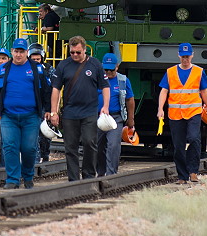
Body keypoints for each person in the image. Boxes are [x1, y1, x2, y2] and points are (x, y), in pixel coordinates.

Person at [0, 37, 51, 189]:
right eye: (16, 51)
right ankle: (12, 180)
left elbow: (46, 91)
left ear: (27, 52)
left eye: (21, 52)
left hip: (31, 116)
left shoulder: (37, 69)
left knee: (29, 148)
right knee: (10, 146)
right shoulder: (3, 69)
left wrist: (49, 110)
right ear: (12, 52)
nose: (18, 55)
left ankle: (28, 176)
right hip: (8, 116)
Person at [50, 35, 109, 181]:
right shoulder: (63, 65)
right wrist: (53, 112)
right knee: (70, 147)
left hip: (89, 112)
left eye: (78, 52)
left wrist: (105, 106)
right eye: (72, 53)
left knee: (90, 142)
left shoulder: (95, 65)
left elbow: (105, 87)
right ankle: (73, 179)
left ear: (84, 50)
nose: (75, 55)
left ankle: (89, 175)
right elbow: (56, 89)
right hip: (70, 113)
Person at [157, 43, 207, 183]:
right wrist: (160, 109)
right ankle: (182, 176)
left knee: (194, 138)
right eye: (183, 56)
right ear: (179, 55)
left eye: (187, 56)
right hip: (175, 114)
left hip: (193, 112)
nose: (185, 59)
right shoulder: (170, 72)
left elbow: (204, 92)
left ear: (192, 55)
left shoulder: (199, 71)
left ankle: (193, 171)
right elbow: (164, 91)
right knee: (178, 145)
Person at [95, 53, 135, 176]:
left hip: (115, 118)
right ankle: (100, 173)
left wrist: (131, 118)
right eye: (105, 69)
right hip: (98, 118)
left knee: (113, 145)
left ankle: (111, 174)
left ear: (117, 67)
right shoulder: (96, 79)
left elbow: (130, 99)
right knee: (98, 146)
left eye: (111, 70)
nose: (108, 72)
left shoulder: (123, 80)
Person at [29, 45, 52, 163]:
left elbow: (51, 89)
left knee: (45, 133)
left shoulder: (48, 70)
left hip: (44, 105)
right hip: (31, 105)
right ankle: (36, 159)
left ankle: (45, 155)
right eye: (33, 59)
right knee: (33, 133)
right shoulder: (26, 70)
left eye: (38, 59)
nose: (36, 62)